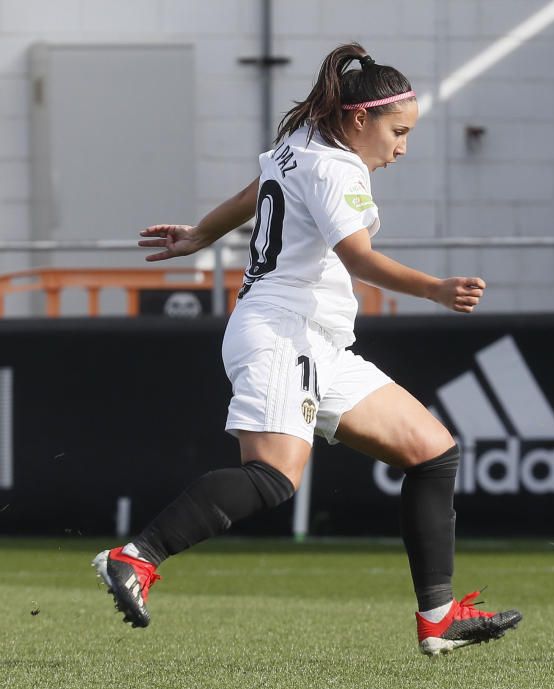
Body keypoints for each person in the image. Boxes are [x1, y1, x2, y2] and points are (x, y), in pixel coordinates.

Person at [91, 42, 521, 657]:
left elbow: (255, 188)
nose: (402, 147)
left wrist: (199, 234)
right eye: (398, 132)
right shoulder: (337, 167)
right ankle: (135, 559)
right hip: (281, 332)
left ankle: (439, 617)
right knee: (271, 477)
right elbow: (358, 258)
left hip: (313, 339)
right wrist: (436, 289)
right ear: (358, 119)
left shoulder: (303, 145)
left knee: (433, 452)